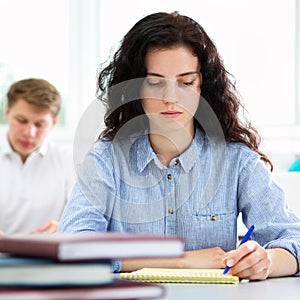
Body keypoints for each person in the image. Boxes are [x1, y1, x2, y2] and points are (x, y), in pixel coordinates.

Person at [58, 12, 300, 280]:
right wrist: (182, 261)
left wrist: (266, 260)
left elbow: (294, 241)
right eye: (155, 82)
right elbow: (72, 248)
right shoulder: (107, 158)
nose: (170, 98)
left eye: (185, 82)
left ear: (202, 86)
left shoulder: (236, 160)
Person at [0, 78, 75, 235]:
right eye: (22, 121)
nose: (29, 133)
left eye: (40, 124)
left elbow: (87, 221)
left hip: (47, 256)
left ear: (54, 123)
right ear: (7, 112)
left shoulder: (69, 160)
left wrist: (65, 228)